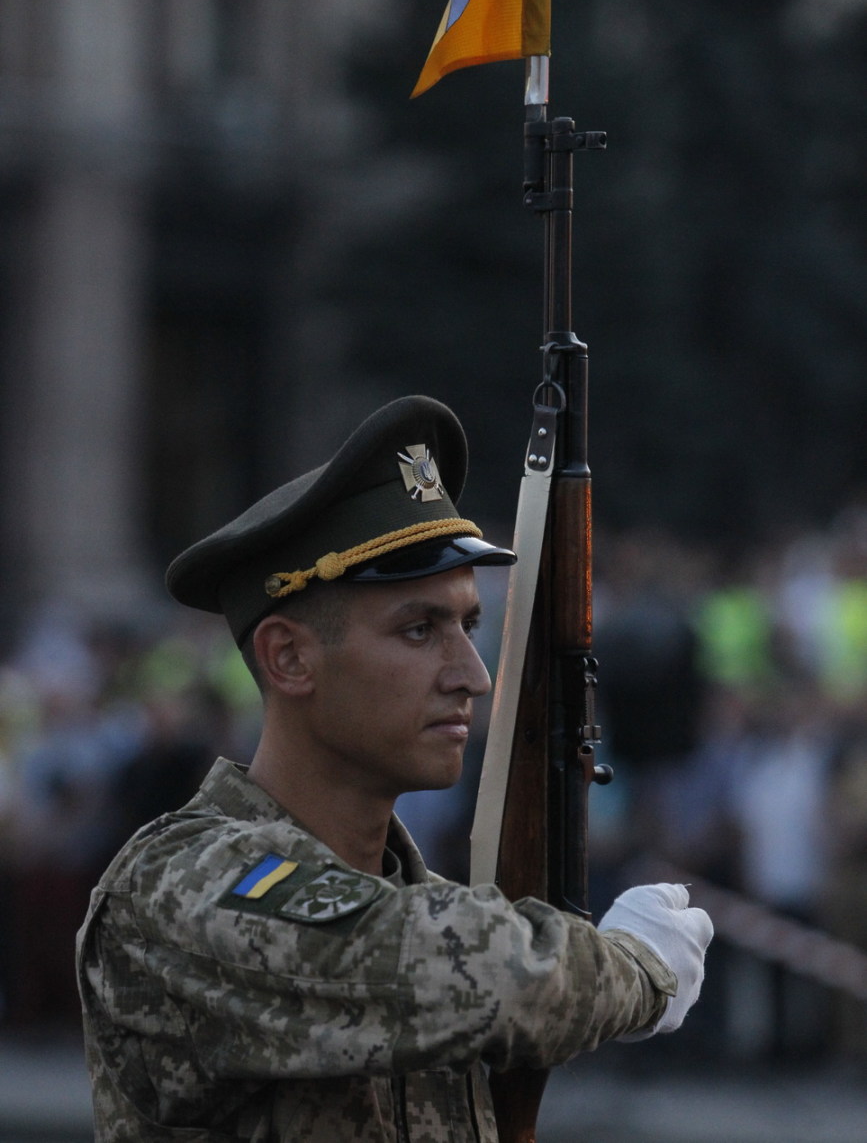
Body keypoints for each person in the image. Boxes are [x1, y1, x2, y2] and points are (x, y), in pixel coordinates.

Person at [76, 395, 712, 1142]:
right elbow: (491, 977)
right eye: (418, 630)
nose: (472, 675)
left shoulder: (420, 900)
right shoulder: (178, 885)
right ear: (289, 657)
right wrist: (636, 968)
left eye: (468, 626)